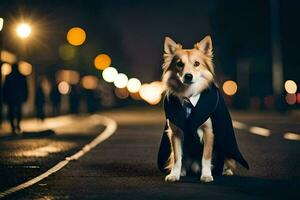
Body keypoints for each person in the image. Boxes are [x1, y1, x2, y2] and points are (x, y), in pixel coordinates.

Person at [3, 63, 28, 134]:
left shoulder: (9, 76)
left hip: (13, 97)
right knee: (16, 112)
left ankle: (14, 126)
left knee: (13, 112)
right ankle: (16, 126)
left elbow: (5, 88)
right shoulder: (20, 76)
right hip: (16, 97)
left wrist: (5, 97)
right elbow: (25, 88)